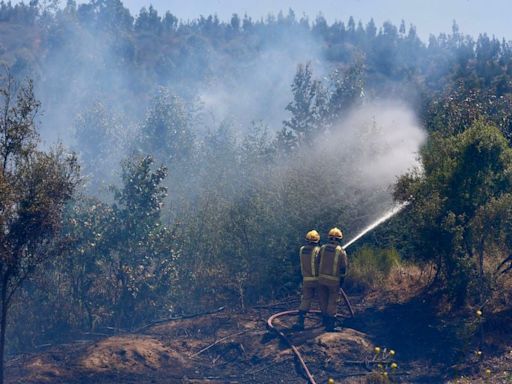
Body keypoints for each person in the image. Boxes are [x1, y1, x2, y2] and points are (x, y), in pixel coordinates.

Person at [317, 227, 348, 332]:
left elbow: (317, 261)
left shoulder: (323, 248)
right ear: (340, 239)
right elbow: (343, 268)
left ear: (329, 238)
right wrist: (342, 281)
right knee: (332, 302)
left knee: (323, 300)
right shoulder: (341, 251)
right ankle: (331, 325)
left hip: (321, 280)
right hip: (334, 281)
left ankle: (324, 321)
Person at [294, 230, 321, 331]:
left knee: (306, 300)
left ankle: (300, 322)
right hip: (317, 280)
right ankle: (327, 322)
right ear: (317, 240)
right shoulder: (318, 250)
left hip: (306, 279)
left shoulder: (302, 249)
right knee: (323, 300)